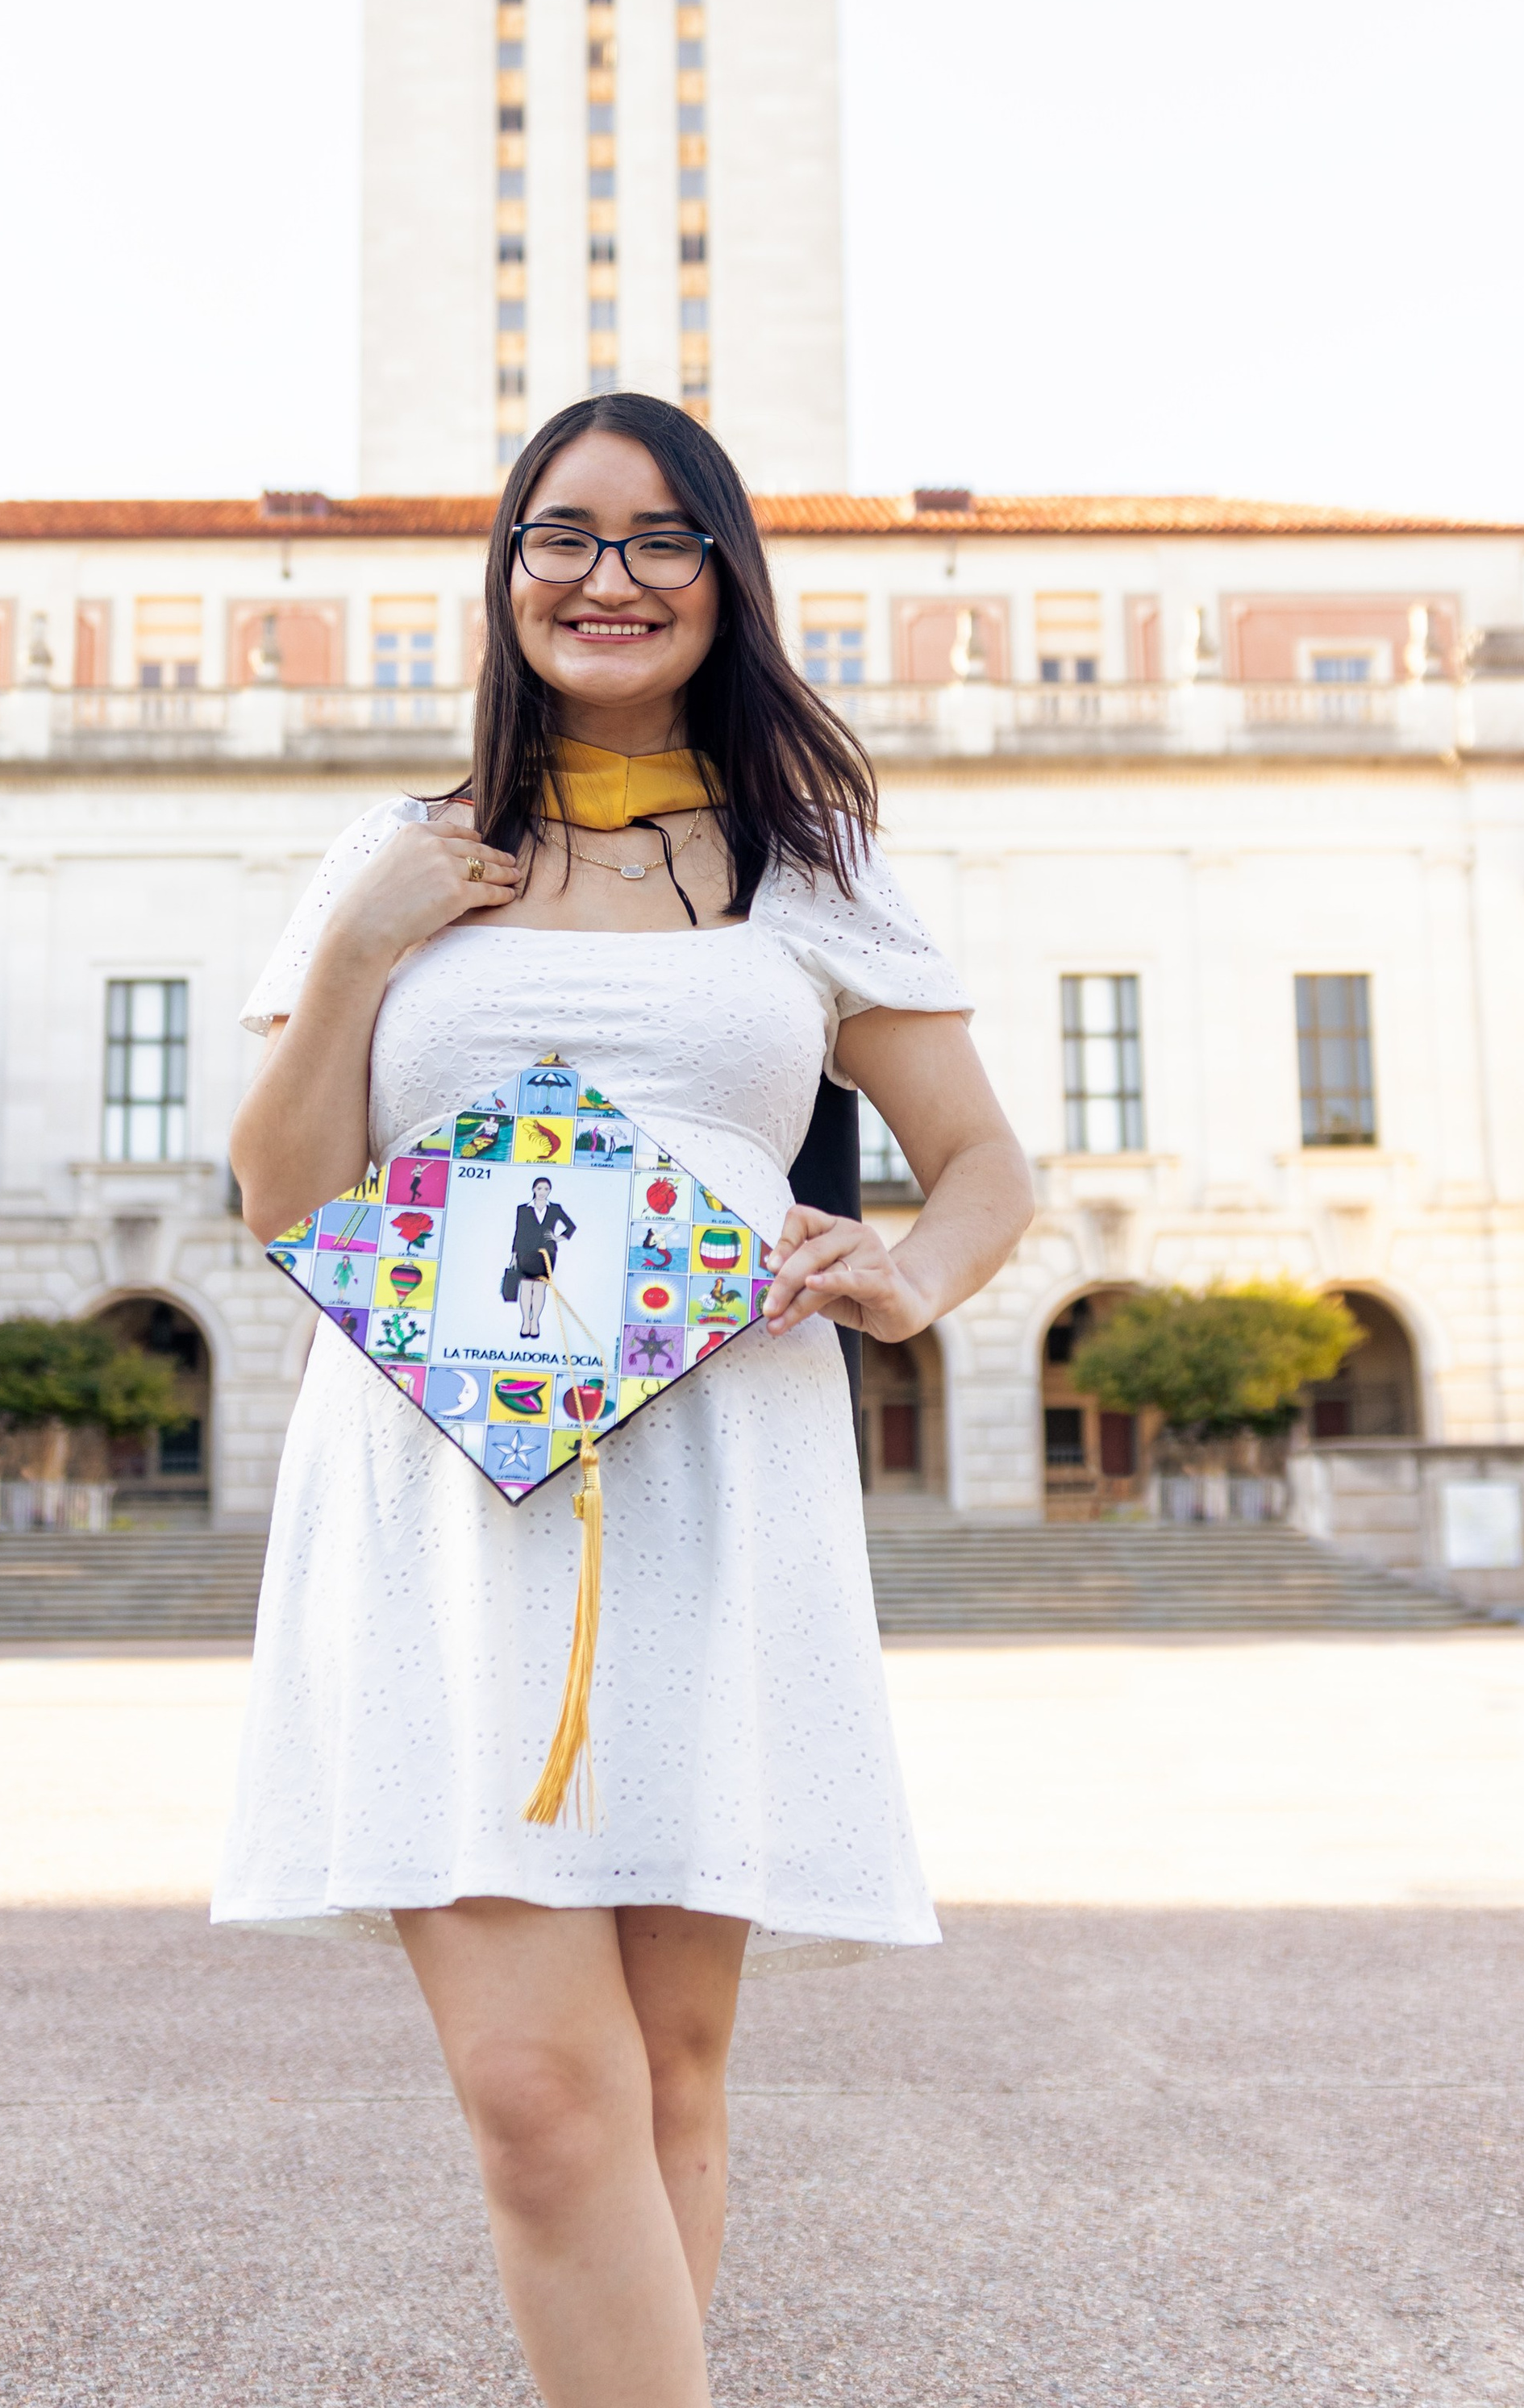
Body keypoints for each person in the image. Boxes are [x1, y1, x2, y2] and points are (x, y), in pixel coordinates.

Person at [219, 392, 1033, 2408]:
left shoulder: (810, 865)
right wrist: (358, 957)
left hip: (717, 1481)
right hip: (435, 1497)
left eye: (661, 537)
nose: (608, 574)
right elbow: (280, 1196)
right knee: (534, 2095)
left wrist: (904, 1270)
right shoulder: (389, 856)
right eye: (562, 533)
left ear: (723, 579)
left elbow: (989, 1165)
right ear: (502, 576)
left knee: (667, 2073)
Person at [510, 1173, 577, 1340]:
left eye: (546, 1189)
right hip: (525, 1253)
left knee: (540, 1288)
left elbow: (570, 1226)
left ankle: (535, 1322)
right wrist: (513, 1256)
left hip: (546, 1254)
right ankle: (526, 1321)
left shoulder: (555, 1209)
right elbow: (519, 1233)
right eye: (539, 1188)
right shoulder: (523, 1209)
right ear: (533, 1189)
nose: (542, 1192)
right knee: (525, 1288)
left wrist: (558, 1238)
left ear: (550, 1191)